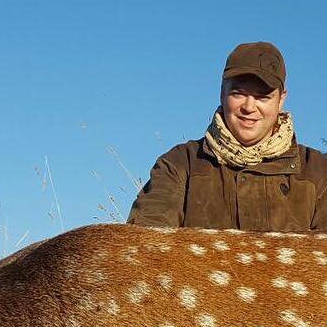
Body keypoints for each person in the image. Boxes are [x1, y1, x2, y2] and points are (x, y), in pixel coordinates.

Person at [128, 42, 327, 231]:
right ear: (222, 93)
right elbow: (146, 240)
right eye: (238, 93)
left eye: (262, 97)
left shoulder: (319, 170)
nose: (249, 107)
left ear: (281, 99)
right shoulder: (180, 163)